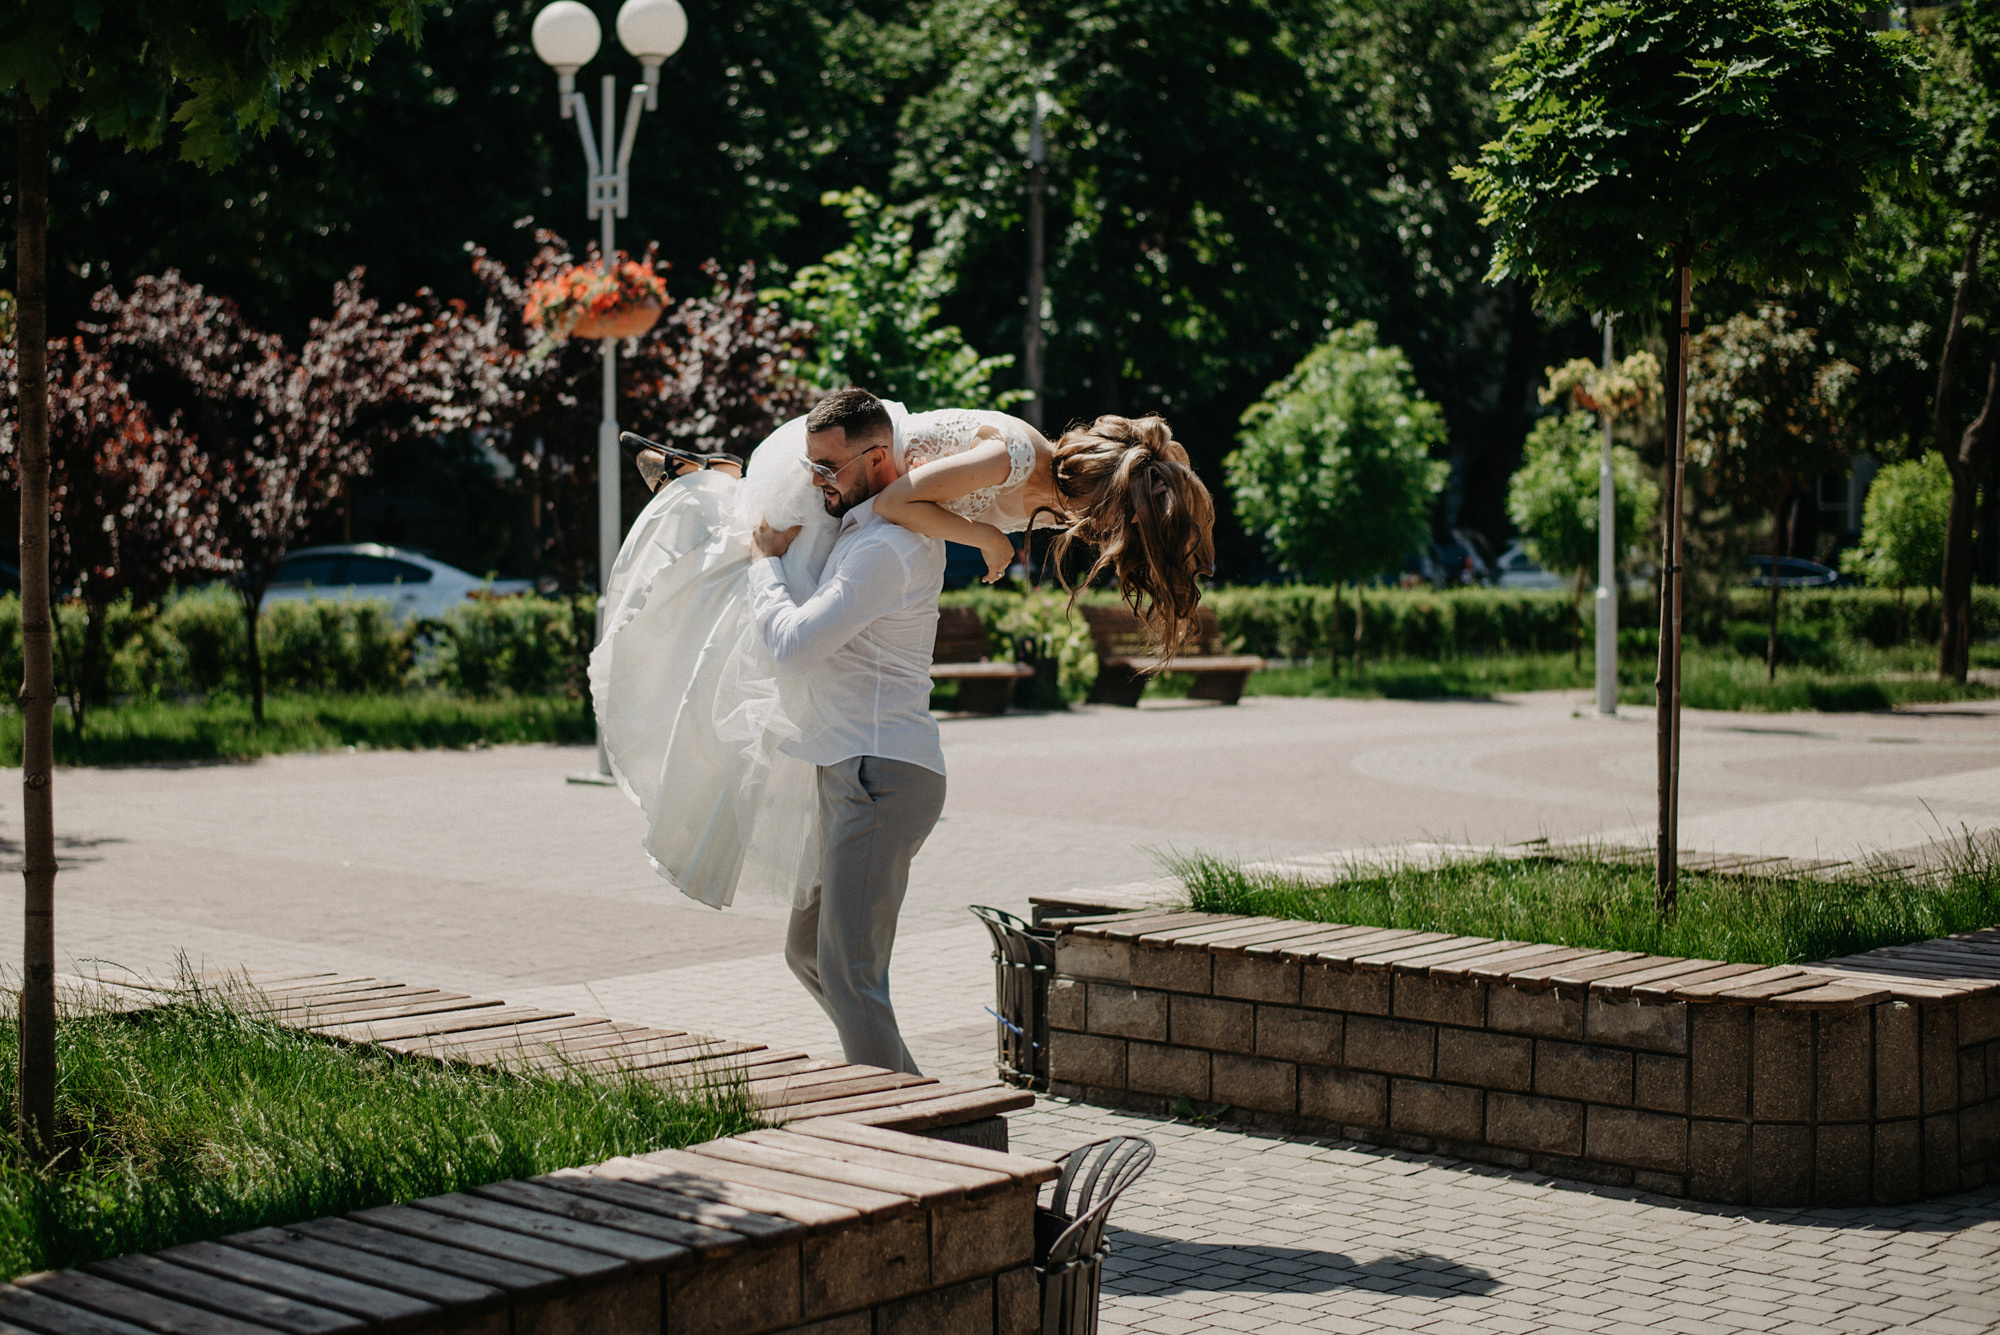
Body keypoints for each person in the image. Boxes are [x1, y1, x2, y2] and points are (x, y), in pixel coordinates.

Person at [588, 389, 1217, 915]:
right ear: (1098, 493)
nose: (1102, 534)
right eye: (1110, 521)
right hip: (853, 477)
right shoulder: (1014, 455)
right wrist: (986, 543)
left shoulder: (1062, 501)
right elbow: (893, 501)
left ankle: (716, 478)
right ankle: (703, 481)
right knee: (753, 577)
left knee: (783, 603)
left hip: (872, 501)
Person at [743, 389, 944, 1073]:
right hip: (849, 767)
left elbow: (795, 645)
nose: (816, 481)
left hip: (882, 773)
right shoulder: (858, 531)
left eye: (828, 467)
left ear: (878, 457)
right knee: (808, 953)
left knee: (851, 973)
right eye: (811, 466)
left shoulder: (885, 549)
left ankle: (917, 1128)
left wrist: (764, 561)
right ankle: (911, 1092)